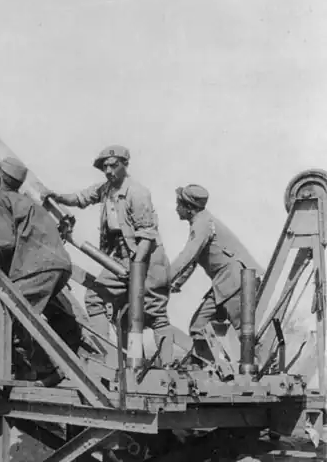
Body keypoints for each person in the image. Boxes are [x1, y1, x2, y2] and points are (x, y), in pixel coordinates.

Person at [43, 144, 191, 366]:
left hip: (148, 259)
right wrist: (58, 197)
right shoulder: (107, 189)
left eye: (113, 166)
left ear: (125, 165)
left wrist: (137, 271)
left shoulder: (137, 193)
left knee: (154, 314)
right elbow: (81, 198)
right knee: (97, 299)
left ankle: (166, 367)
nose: (108, 171)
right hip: (123, 258)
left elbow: (147, 235)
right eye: (105, 167)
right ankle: (107, 360)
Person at [0, 156, 73, 386]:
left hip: (39, 267)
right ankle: (44, 370)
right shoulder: (28, 202)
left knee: (10, 311)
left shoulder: (1, 200)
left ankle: (43, 371)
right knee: (27, 315)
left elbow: (4, 242)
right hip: (60, 266)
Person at [170, 184, 264, 363]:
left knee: (245, 334)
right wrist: (175, 284)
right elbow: (193, 259)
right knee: (198, 327)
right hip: (225, 284)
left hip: (236, 283)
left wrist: (164, 279)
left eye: (178, 204)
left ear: (189, 208)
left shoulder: (202, 224)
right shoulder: (201, 222)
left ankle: (267, 368)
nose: (176, 209)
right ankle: (207, 368)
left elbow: (187, 256)